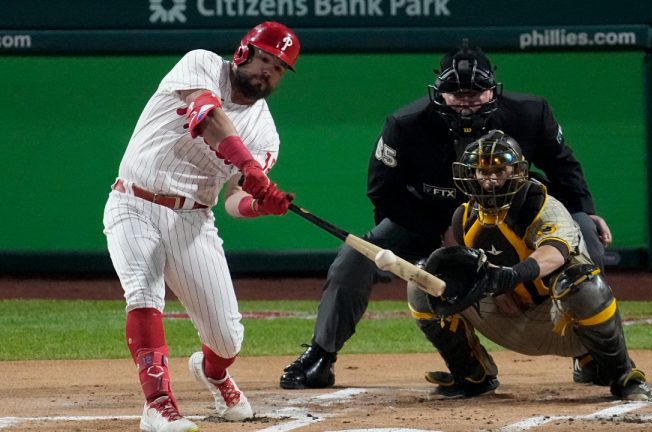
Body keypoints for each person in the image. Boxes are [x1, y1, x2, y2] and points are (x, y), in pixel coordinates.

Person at [279, 40, 612, 390]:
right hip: (429, 222)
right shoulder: (405, 125)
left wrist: (583, 211)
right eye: (456, 93)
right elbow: (383, 191)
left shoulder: (530, 113)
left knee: (586, 236)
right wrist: (443, 236)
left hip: (515, 222)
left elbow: (563, 167)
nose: (466, 101)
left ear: (492, 91)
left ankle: (593, 351)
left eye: (475, 92)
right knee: (353, 258)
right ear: (439, 93)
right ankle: (321, 355)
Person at [102, 21, 298, 431]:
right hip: (134, 201)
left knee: (228, 338)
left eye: (279, 68)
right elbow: (207, 114)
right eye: (265, 59)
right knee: (142, 293)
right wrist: (247, 166)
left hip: (194, 220)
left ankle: (213, 372)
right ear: (244, 52)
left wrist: (261, 206)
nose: (269, 71)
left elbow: (232, 202)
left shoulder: (266, 133)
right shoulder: (202, 63)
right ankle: (159, 406)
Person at [406, 129, 650, 401]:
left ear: (517, 171)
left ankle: (620, 373)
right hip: (510, 319)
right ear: (470, 174)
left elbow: (554, 253)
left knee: (583, 283)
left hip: (563, 322)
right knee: (424, 283)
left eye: (500, 171)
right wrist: (493, 289)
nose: (491, 180)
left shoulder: (542, 206)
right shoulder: (463, 217)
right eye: (482, 171)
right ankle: (472, 375)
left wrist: (511, 276)